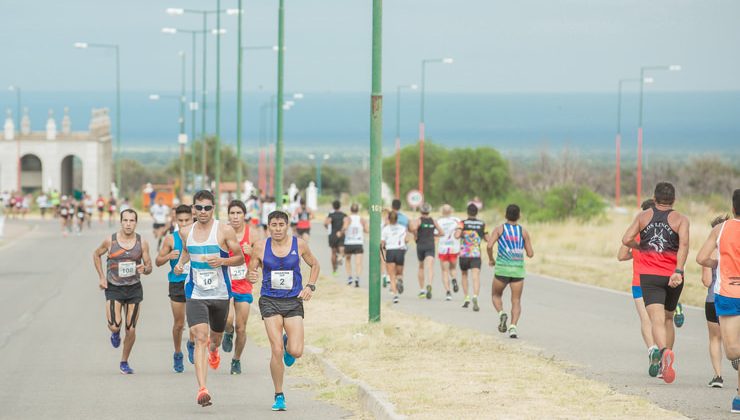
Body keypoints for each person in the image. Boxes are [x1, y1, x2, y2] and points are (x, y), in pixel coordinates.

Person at [174, 190, 244, 407]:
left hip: (221, 294)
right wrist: (180, 263)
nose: (202, 212)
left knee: (214, 340)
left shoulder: (224, 230)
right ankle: (202, 389)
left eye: (207, 208)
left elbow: (240, 258)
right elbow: (186, 251)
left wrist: (222, 262)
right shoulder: (185, 231)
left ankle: (215, 351)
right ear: (193, 208)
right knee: (200, 338)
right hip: (195, 293)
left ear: (213, 209)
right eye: (199, 207)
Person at [248, 210, 320, 411]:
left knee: (295, 351)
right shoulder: (261, 246)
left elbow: (315, 264)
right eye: (274, 225)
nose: (277, 229)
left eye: (281, 225)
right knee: (276, 349)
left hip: (293, 300)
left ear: (287, 226)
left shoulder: (299, 244)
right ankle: (279, 395)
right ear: (268, 226)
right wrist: (251, 276)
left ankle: (289, 342)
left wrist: (310, 286)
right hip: (270, 300)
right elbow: (250, 271)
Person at [622, 182, 689, 384]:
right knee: (669, 319)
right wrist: (678, 269)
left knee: (656, 320)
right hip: (673, 276)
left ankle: (664, 354)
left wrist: (641, 246)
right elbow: (684, 246)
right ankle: (668, 355)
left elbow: (626, 239)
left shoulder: (643, 216)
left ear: (654, 197)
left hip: (649, 276)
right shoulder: (681, 219)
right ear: (674, 200)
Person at [92, 208, 153, 374]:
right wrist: (102, 277)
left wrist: (144, 269)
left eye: (131, 221)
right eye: (125, 220)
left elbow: (149, 267)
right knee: (114, 325)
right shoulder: (110, 241)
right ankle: (115, 333)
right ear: (120, 222)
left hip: (134, 288)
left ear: (136, 223)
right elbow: (96, 255)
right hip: (114, 288)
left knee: (131, 329)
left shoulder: (142, 243)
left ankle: (124, 361)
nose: (128, 224)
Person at [697, 189, 740, 412]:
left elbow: (702, 258)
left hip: (729, 293)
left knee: (734, 350)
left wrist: (716, 263)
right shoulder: (721, 229)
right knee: (733, 351)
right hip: (729, 293)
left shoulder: (720, 229)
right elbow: (700, 257)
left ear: (733, 208)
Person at [221, 200, 262, 375]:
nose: (235, 217)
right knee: (228, 321)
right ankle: (227, 333)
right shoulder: (223, 233)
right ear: (228, 215)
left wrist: (251, 252)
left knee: (242, 327)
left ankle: (236, 360)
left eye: (238, 213)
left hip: (244, 285)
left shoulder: (252, 235)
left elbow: (260, 260)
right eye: (232, 213)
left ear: (244, 215)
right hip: (226, 284)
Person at [155, 204, 195, 373]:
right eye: (181, 221)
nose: (184, 223)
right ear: (176, 220)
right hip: (177, 282)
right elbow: (157, 261)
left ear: (193, 219)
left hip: (195, 282)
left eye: (187, 220)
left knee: (195, 321)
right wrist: (167, 257)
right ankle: (178, 353)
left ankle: (192, 343)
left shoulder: (199, 237)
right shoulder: (171, 239)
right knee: (179, 324)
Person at [487, 204, 534, 339]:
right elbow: (530, 254)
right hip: (517, 272)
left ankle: (501, 314)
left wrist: (491, 259)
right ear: (519, 216)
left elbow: (489, 245)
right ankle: (513, 328)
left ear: (505, 215)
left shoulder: (499, 229)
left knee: (496, 295)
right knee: (516, 300)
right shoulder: (523, 232)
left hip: (502, 269)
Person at [617, 199, 657, 356]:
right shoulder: (664, 233)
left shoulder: (636, 234)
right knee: (662, 319)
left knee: (646, 320)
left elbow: (621, 256)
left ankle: (652, 349)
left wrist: (635, 254)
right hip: (660, 280)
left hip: (639, 281)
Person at [701, 215, 730, 389]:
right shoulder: (735, 249)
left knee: (715, 338)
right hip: (734, 296)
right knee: (734, 339)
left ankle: (718, 376)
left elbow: (706, 281)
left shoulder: (709, 252)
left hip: (713, 299)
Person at [409, 203, 442, 299]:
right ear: (429, 211)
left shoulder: (418, 220)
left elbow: (414, 229)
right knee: (430, 266)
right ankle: (430, 284)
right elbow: (442, 232)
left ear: (421, 211)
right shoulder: (433, 221)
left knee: (421, 267)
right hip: (430, 245)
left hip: (420, 245)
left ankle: (422, 290)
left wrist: (416, 236)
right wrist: (435, 235)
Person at [457, 203, 486, 311]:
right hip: (476, 254)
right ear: (477, 212)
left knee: (464, 275)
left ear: (467, 212)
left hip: (464, 254)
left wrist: (461, 233)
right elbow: (487, 238)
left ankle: (466, 298)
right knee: (476, 276)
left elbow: (456, 235)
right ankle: (475, 296)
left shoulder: (462, 223)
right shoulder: (481, 224)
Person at [381, 211, 408, 303]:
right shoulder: (402, 228)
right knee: (399, 273)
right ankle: (400, 280)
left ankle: (395, 295)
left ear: (389, 219)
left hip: (390, 251)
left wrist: (382, 249)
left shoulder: (385, 229)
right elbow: (407, 239)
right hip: (400, 250)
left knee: (392, 275)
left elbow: (382, 242)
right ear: (397, 219)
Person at [437, 204, 461, 301]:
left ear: (442, 211)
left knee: (444, 271)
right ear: (451, 211)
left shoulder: (439, 221)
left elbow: (436, 233)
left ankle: (448, 292)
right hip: (454, 248)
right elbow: (460, 231)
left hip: (443, 248)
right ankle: (454, 279)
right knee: (453, 268)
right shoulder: (457, 220)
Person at [342, 203, 369, 287]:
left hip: (349, 242)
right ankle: (357, 277)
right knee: (358, 262)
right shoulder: (362, 219)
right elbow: (367, 230)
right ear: (358, 210)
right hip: (358, 242)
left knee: (348, 260)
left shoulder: (347, 218)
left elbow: (344, 228)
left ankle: (350, 277)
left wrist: (341, 231)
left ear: (350, 210)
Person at [324, 200, 346, 275]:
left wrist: (327, 227)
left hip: (332, 235)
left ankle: (334, 270)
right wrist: (342, 231)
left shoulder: (331, 215)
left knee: (333, 252)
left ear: (333, 206)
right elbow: (346, 224)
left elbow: (326, 223)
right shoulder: (343, 215)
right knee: (341, 249)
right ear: (340, 206)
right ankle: (340, 256)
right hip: (340, 234)